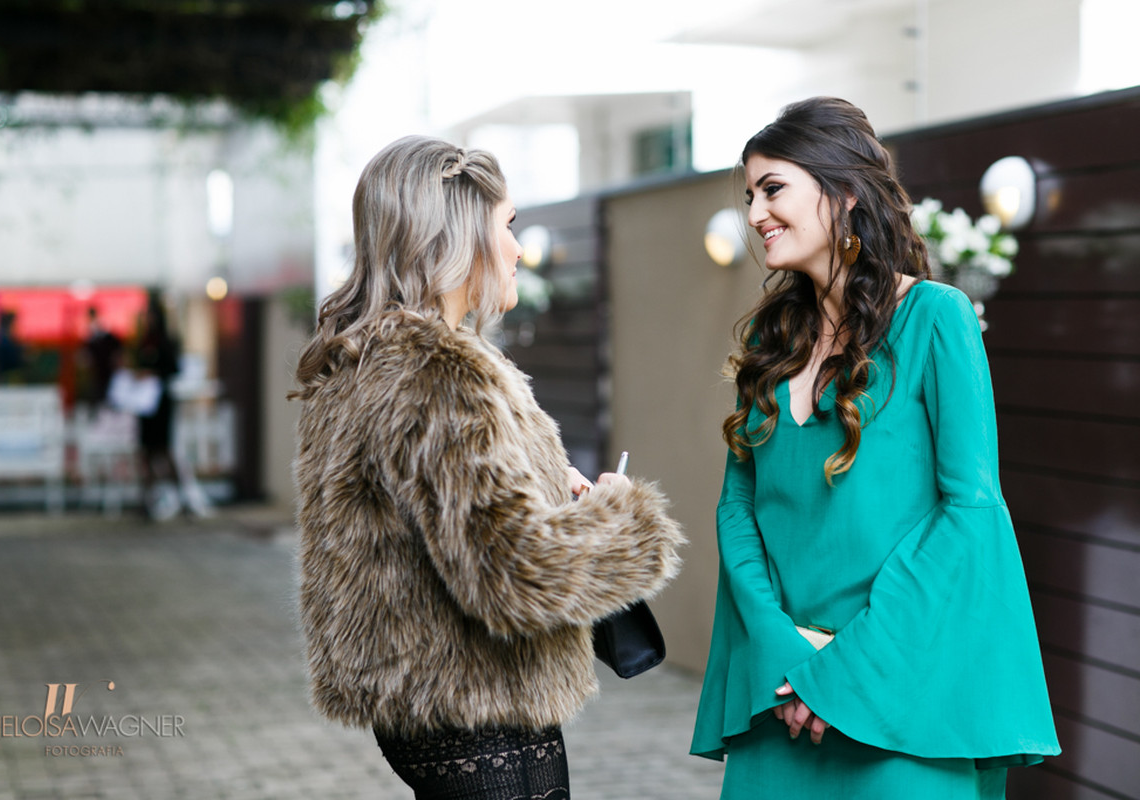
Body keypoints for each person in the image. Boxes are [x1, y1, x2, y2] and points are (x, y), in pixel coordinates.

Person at [290, 135, 685, 800]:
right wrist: (622, 522)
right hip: (480, 713)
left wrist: (551, 496)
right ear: (458, 235)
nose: (520, 249)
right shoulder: (436, 371)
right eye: (508, 226)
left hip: (429, 707)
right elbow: (510, 573)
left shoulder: (363, 362)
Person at [689, 98, 1060, 799]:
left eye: (774, 189)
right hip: (780, 696)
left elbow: (969, 512)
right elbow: (737, 510)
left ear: (844, 192)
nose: (756, 213)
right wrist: (787, 655)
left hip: (899, 697)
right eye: (750, 196)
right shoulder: (773, 344)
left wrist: (843, 669)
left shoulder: (936, 319)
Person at [132, 290, 182, 519]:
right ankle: (148, 501)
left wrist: (152, 374)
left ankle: (180, 498)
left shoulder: (165, 342)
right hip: (145, 406)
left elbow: (174, 370)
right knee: (146, 453)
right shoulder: (143, 341)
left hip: (160, 406)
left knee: (163, 450)